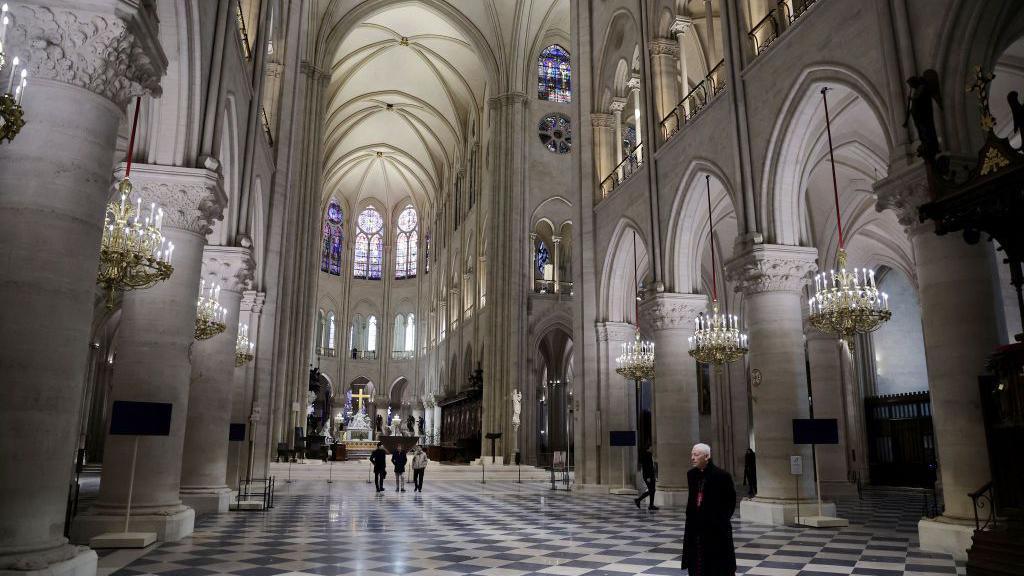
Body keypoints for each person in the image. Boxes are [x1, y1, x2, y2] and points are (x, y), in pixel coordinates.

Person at [681, 443, 736, 576]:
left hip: (716, 528)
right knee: (696, 563)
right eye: (692, 454)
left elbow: (730, 501)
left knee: (716, 564)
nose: (693, 458)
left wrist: (720, 519)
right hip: (695, 527)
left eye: (696, 454)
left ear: (707, 456)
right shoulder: (691, 475)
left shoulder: (722, 476)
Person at [634, 445, 658, 510]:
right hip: (648, 476)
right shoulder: (647, 455)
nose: (652, 448)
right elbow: (646, 467)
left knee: (652, 490)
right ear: (648, 448)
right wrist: (648, 477)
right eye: (651, 447)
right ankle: (638, 500)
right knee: (651, 490)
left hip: (650, 475)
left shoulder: (649, 454)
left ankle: (651, 505)